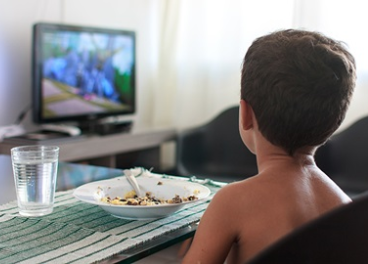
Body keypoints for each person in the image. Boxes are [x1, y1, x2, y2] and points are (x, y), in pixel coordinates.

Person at [182, 29, 356, 264]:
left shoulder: (232, 201)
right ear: (333, 124)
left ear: (245, 114)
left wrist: (183, 249)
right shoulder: (344, 206)